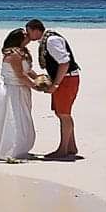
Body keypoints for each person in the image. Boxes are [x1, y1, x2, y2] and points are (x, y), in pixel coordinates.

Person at [0, 28, 47, 161]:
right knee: (12, 118)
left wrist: (39, 77)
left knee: (21, 117)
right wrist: (35, 86)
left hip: (21, 89)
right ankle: (9, 149)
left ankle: (19, 146)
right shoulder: (13, 55)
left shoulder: (23, 52)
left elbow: (28, 70)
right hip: (12, 90)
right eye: (25, 35)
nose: (28, 36)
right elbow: (20, 75)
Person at [25, 18, 81, 160]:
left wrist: (56, 84)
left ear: (36, 30)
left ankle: (63, 149)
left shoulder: (50, 41)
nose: (28, 35)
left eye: (29, 32)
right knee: (62, 113)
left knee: (64, 114)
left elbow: (64, 63)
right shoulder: (49, 39)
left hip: (66, 79)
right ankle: (71, 146)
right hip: (66, 78)